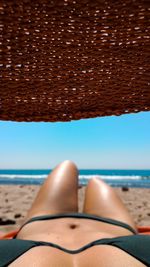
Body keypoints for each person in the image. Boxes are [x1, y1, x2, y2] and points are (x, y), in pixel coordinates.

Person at [0, 160, 149, 267]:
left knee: (67, 165)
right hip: (113, 228)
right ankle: (90, 181)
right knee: (95, 182)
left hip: (42, 224)